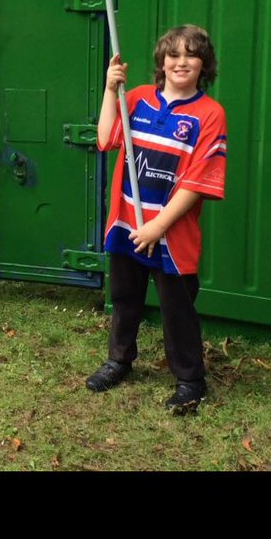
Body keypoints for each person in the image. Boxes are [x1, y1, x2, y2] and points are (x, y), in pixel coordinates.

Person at [86, 25, 227, 413]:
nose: (181, 62)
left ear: (204, 65)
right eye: (173, 55)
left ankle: (190, 380)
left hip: (171, 235)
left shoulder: (209, 115)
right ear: (161, 63)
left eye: (191, 55)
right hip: (127, 224)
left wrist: (158, 226)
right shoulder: (136, 99)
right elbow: (105, 139)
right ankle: (119, 360)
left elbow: (198, 182)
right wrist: (110, 90)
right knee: (125, 298)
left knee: (177, 309)